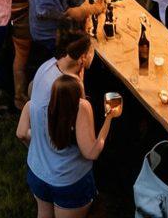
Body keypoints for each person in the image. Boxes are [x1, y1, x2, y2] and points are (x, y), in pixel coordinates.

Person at [17, 65, 120, 218]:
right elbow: (92, 151)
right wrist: (109, 119)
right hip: (68, 182)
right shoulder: (75, 116)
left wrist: (34, 146)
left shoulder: (32, 106)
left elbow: (21, 134)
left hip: (38, 174)